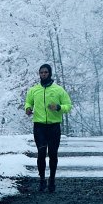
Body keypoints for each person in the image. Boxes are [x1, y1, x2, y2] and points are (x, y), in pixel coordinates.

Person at [23, 63, 72, 191]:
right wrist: (28, 108)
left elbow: (68, 106)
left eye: (45, 72)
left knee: (53, 154)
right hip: (39, 127)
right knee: (41, 153)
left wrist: (58, 107)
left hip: (54, 126)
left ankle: (52, 179)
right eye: (41, 72)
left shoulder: (58, 90)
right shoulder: (33, 90)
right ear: (39, 74)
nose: (43, 74)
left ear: (50, 73)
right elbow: (28, 102)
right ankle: (42, 180)